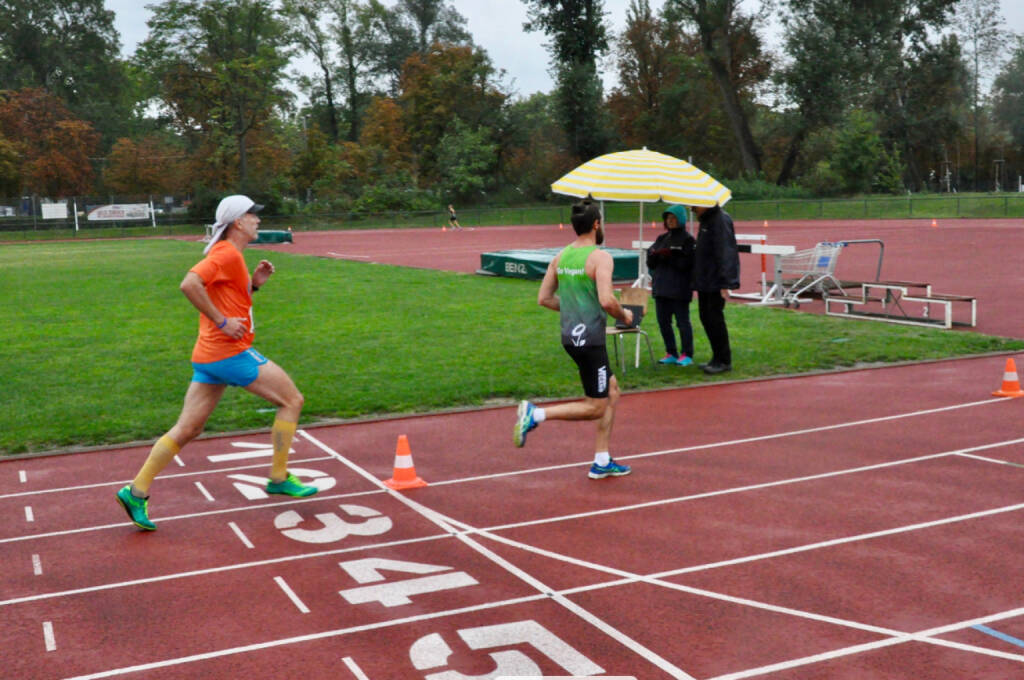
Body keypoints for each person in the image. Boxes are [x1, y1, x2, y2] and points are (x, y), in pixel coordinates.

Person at [115, 195, 317, 531]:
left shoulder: (232, 254)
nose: (258, 220)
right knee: (292, 400)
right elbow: (188, 284)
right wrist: (222, 322)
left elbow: (230, 297)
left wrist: (254, 285)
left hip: (208, 356)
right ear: (238, 221)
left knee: (188, 429)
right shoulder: (226, 253)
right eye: (253, 215)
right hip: (229, 353)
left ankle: (135, 491)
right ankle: (279, 477)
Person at [513, 200, 633, 479]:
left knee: (611, 390)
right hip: (590, 341)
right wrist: (625, 315)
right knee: (596, 406)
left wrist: (574, 310)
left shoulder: (561, 257)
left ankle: (602, 460)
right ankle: (535, 415)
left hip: (570, 338)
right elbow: (607, 300)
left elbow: (544, 298)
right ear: (596, 224)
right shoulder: (600, 258)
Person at [691, 202, 740, 375]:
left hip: (715, 281)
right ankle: (716, 357)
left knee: (714, 319)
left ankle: (724, 360)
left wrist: (725, 283)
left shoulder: (720, 220)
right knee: (706, 317)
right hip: (706, 279)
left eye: (695, 204)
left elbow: (726, 252)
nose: (692, 208)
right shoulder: (707, 220)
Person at [646, 205, 696, 366]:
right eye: (668, 218)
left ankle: (687, 353)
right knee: (663, 322)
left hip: (679, 289)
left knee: (682, 322)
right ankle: (671, 352)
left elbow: (687, 264)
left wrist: (670, 256)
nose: (670, 221)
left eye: (674, 218)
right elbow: (651, 263)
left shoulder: (688, 240)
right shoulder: (661, 238)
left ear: (681, 219)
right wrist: (654, 256)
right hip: (661, 288)